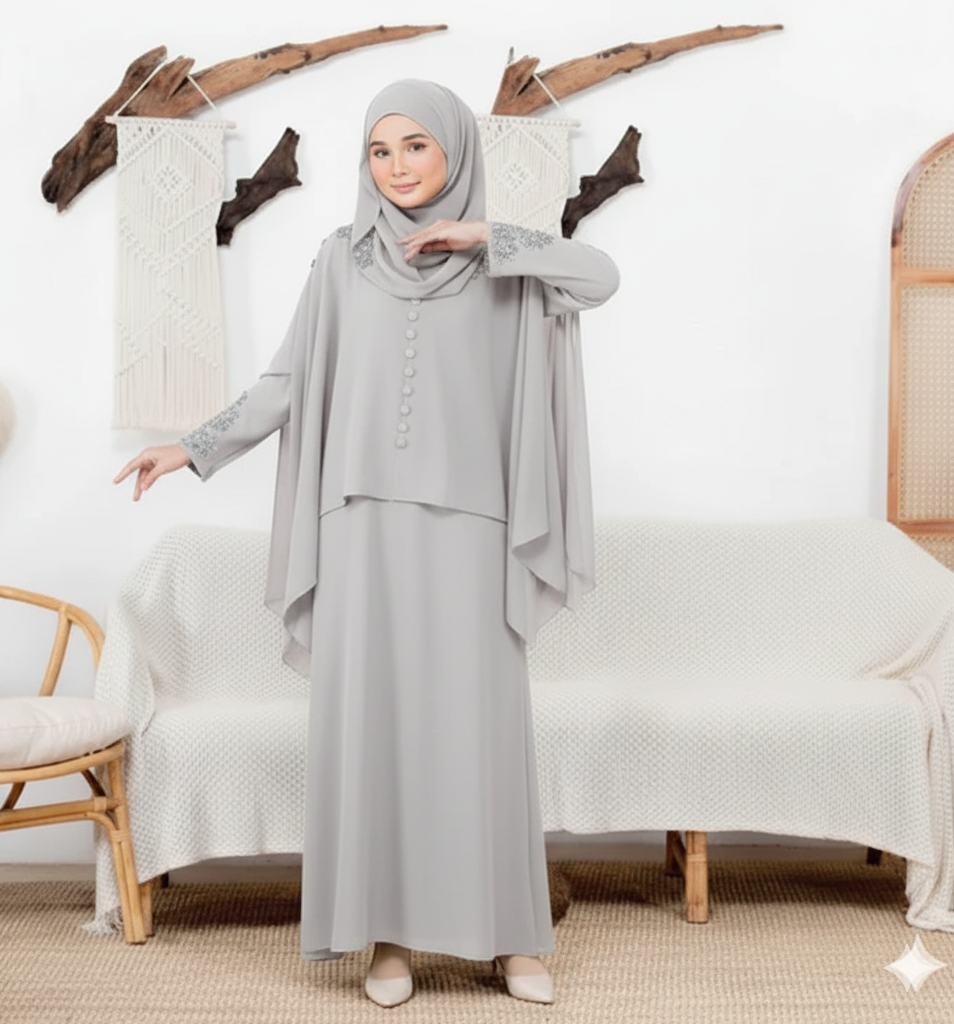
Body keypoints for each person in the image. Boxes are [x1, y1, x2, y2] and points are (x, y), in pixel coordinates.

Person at [114, 79, 619, 1008]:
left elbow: (600, 277)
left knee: (479, 735)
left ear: (455, 150)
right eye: (380, 151)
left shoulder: (508, 264)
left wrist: (484, 236)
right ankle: (385, 938)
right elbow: (285, 381)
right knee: (373, 733)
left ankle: (511, 938)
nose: (397, 167)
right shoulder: (341, 261)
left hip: (474, 526)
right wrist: (191, 447)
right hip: (361, 530)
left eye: (416, 146)